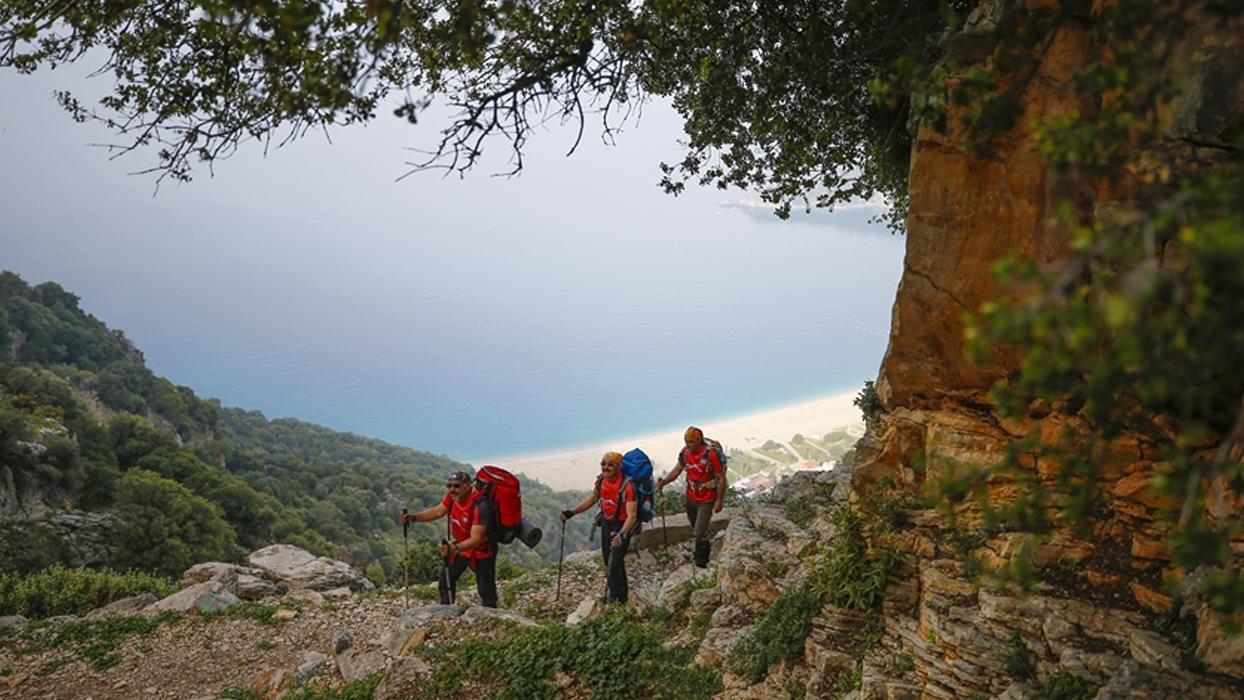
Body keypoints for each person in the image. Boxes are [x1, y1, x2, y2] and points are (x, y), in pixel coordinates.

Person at [400, 469, 498, 607]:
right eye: (449, 485)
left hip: (481, 551)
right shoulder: (453, 498)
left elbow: (476, 539)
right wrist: (414, 518)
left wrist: (454, 548)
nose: (452, 489)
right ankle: (446, 611)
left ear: (467, 485)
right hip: (459, 548)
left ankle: (491, 614)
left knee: (485, 587)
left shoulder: (480, 505)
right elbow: (437, 511)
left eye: (456, 486)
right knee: (445, 581)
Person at [560, 452, 638, 603]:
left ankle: (615, 597)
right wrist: (572, 512)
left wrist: (622, 535)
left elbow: (632, 516)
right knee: (608, 559)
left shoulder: (628, 486)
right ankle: (621, 595)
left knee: (614, 561)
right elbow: (592, 500)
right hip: (607, 523)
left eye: (610, 465)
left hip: (622, 526)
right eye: (603, 464)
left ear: (619, 466)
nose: (606, 467)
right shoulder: (601, 481)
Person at [657, 426, 726, 567]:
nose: (687, 445)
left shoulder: (710, 454)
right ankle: (702, 550)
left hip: (706, 498)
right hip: (691, 496)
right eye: (686, 441)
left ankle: (702, 561)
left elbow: (721, 478)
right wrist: (665, 481)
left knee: (699, 531)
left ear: (699, 440)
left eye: (691, 442)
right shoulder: (685, 452)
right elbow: (677, 469)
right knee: (697, 528)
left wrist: (719, 500)